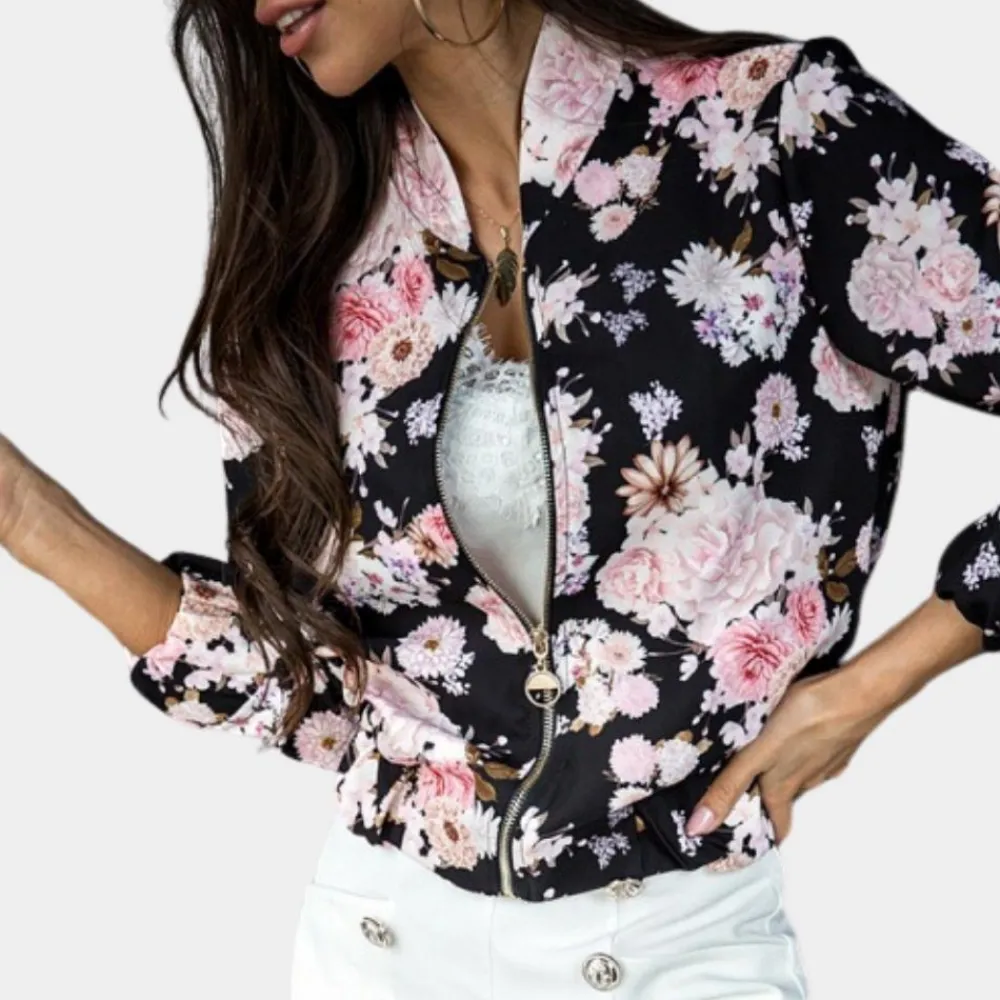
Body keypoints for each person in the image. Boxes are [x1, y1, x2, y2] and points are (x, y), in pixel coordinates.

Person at [3, 0, 998, 996]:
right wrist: (25, 514)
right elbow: (319, 697)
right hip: (379, 945)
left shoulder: (767, 135)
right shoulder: (304, 255)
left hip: (678, 942)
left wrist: (874, 685)